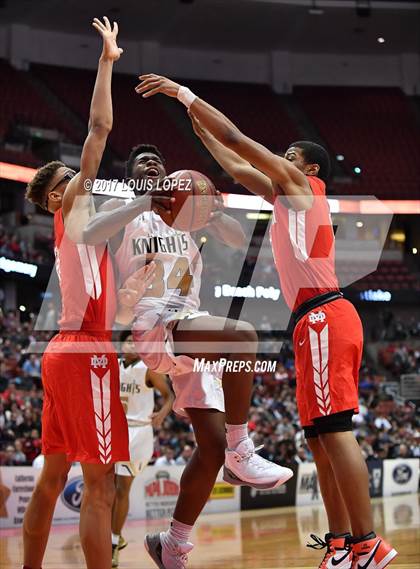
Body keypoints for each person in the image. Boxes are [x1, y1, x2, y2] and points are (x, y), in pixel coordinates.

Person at [136, 74, 398, 569]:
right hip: (311, 319)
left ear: (309, 167)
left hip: (324, 313)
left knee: (336, 432)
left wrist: (184, 96)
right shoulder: (283, 198)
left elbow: (239, 142)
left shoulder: (302, 186)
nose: (284, 160)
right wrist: (199, 127)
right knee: (319, 441)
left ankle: (367, 544)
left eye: (291, 155)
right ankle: (341, 545)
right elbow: (231, 161)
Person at [83, 141, 293, 568]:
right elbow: (91, 230)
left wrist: (211, 212)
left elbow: (236, 241)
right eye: (144, 162)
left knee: (209, 448)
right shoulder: (124, 205)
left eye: (159, 160)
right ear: (132, 176)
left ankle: (172, 544)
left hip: (190, 324)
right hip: (156, 326)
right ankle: (242, 449)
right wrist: (145, 198)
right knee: (243, 338)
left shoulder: (183, 216)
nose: (154, 164)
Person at [21, 18, 155, 569]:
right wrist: (107, 62)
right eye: (73, 180)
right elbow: (99, 129)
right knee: (100, 486)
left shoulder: (88, 237)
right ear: (59, 195)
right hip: (84, 353)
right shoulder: (74, 207)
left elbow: (118, 304)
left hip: (64, 351)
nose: (84, 181)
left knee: (54, 478)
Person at [112, 332, 174, 568]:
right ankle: (113, 535)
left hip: (138, 432)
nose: (131, 345)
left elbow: (170, 396)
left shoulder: (148, 368)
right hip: (114, 430)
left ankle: (113, 542)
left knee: (121, 488)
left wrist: (161, 414)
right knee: (106, 489)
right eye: (128, 341)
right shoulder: (113, 365)